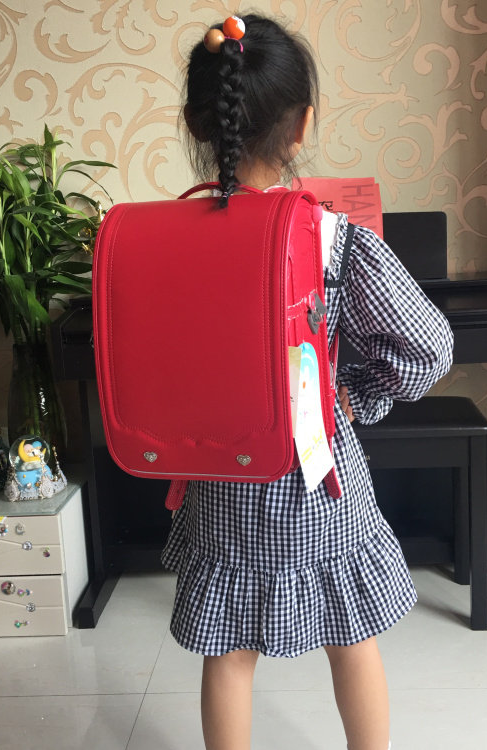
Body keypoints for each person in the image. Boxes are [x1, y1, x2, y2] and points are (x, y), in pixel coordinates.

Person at [162, 13, 454, 750]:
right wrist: (359, 396)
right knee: (351, 632)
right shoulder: (334, 242)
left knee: (229, 649)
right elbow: (430, 345)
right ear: (302, 127)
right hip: (314, 474)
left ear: (197, 124)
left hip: (218, 470)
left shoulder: (166, 240)